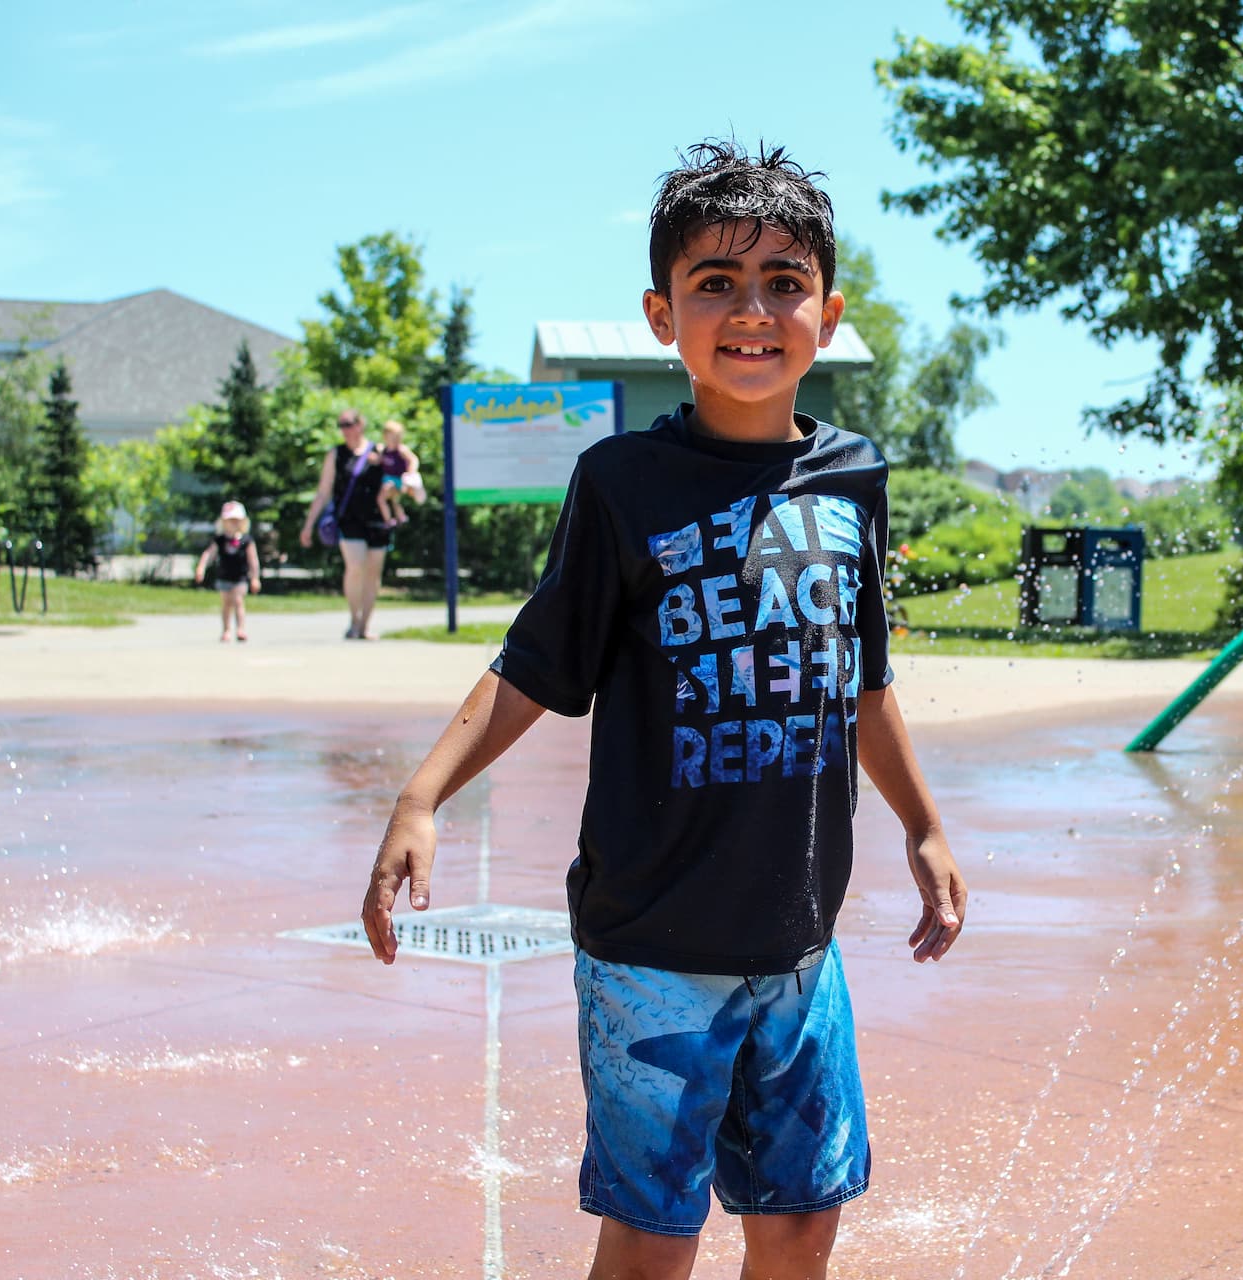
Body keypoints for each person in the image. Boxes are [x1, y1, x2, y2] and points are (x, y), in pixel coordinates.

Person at [359, 140, 967, 1280]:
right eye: (715, 283)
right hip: (652, 952)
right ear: (661, 313)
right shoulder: (625, 484)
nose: (752, 310)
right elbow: (535, 664)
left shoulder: (851, 482)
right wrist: (421, 794)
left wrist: (923, 825)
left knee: (801, 1223)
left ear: (827, 314)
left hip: (798, 943)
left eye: (784, 281)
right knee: (651, 1238)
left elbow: (864, 684)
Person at [299, 408, 389, 639]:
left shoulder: (378, 451)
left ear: (360, 424)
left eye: (348, 424)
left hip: (378, 520)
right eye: (341, 425)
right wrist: (309, 525)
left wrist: (386, 465)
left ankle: (365, 625)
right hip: (349, 520)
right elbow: (323, 492)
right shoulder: (336, 454)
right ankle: (354, 619)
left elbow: (400, 473)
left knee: (373, 572)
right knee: (356, 566)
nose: (345, 430)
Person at [193, 500, 262, 642]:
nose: (234, 523)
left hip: (240, 577)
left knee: (238, 601)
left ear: (243, 522)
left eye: (237, 520)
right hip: (224, 575)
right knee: (226, 603)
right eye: (230, 520)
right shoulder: (221, 540)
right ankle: (226, 630)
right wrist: (201, 567)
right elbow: (209, 554)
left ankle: (241, 629)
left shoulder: (244, 540)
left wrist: (255, 577)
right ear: (223, 522)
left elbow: (253, 559)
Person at [373, 419, 423, 527]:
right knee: (393, 500)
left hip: (397, 479)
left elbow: (414, 460)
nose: (394, 439)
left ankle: (388, 521)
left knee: (381, 498)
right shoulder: (384, 450)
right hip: (388, 478)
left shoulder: (401, 449)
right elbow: (378, 459)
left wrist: (411, 473)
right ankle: (400, 517)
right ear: (386, 436)